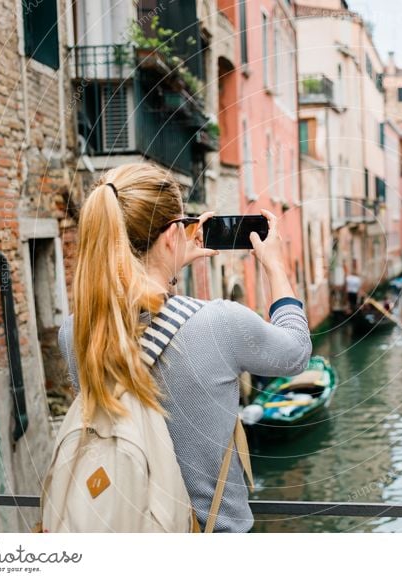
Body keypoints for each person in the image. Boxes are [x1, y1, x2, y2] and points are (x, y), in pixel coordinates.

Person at [57, 162, 312, 532]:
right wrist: (275, 266)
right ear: (172, 234)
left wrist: (171, 264)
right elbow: (296, 351)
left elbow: (144, 317)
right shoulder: (220, 322)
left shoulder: (75, 332)